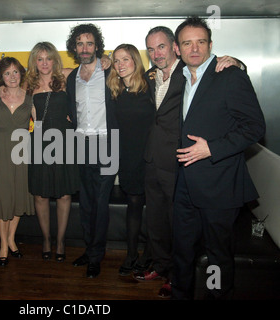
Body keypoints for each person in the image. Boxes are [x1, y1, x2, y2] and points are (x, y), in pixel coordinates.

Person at [137, 25, 245, 299]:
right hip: (153, 160)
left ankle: (177, 279)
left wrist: (236, 62)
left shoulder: (190, 74)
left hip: (183, 162)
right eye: (151, 48)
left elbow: (217, 75)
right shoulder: (150, 77)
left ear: (174, 47)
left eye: (161, 46)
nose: (156, 53)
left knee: (183, 230)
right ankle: (162, 267)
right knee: (158, 222)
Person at [172, 16, 265, 299]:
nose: (195, 48)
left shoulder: (230, 75)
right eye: (187, 43)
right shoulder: (180, 76)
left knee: (217, 256)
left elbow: (255, 127)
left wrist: (212, 148)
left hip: (220, 184)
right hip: (184, 183)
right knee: (183, 249)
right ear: (178, 49)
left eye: (201, 42)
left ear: (211, 45)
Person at [66, 23, 118, 278]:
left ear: (96, 46)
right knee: (85, 202)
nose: (84, 48)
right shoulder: (71, 77)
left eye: (89, 43)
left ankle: (96, 255)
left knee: (100, 201)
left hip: (108, 144)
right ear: (74, 48)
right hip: (81, 144)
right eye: (80, 43)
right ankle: (89, 249)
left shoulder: (110, 72)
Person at [26, 42, 80, 262]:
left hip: (65, 140)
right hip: (40, 141)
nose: (45, 63)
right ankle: (46, 239)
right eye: (40, 59)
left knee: (64, 194)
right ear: (34, 62)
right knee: (40, 194)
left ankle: (60, 240)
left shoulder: (66, 76)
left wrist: (105, 60)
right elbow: (32, 118)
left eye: (48, 58)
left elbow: (91, 70)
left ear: (55, 60)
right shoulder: (28, 84)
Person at [106, 44, 155, 276]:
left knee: (156, 209)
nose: (121, 64)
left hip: (151, 159)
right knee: (133, 207)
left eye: (126, 59)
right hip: (127, 158)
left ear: (136, 61)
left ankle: (151, 255)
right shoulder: (115, 90)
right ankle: (131, 254)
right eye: (116, 60)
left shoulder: (151, 86)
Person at [0, 57, 35, 266]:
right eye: (7, 73)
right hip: (0, 151)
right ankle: (2, 244)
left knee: (18, 194)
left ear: (21, 73)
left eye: (15, 72)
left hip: (22, 151)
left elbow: (43, 123)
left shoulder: (30, 97)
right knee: (2, 195)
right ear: (1, 77)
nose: (12, 77)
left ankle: (11, 238)